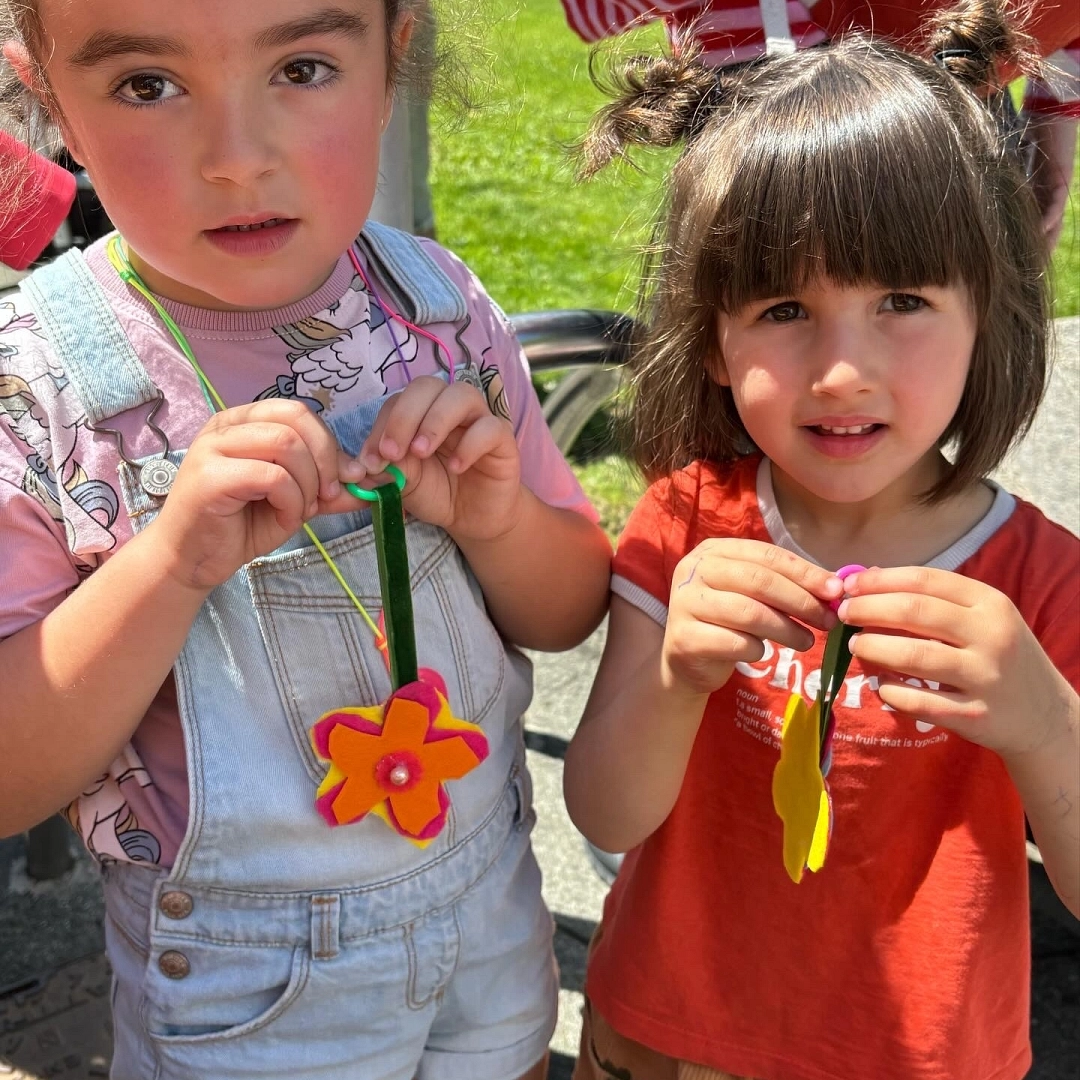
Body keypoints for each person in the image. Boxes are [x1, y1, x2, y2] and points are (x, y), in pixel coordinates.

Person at [0, 2, 612, 1078]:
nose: (237, 159)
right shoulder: (41, 396)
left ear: (394, 64)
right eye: (148, 85)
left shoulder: (439, 313)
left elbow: (564, 614)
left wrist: (500, 520)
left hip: (490, 923)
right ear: (52, 103)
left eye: (305, 66)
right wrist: (169, 565)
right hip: (248, 997)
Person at [562, 2, 1080, 1078]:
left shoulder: (1040, 579)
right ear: (711, 336)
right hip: (666, 1035)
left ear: (989, 316)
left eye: (902, 298)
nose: (843, 370)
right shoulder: (688, 522)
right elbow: (605, 808)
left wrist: (1042, 722)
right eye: (785, 310)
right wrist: (674, 676)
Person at [560, 0, 1079, 248]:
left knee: (958, 338)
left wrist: (1052, 131)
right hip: (760, 130)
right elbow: (593, 13)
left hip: (947, 106)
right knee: (761, 321)